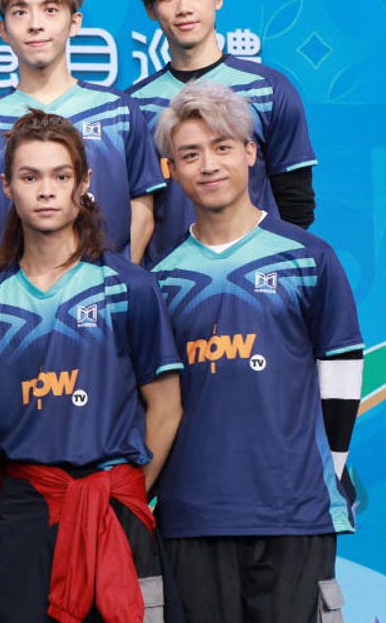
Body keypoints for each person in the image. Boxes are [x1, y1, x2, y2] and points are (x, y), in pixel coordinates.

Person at [150, 81, 362, 622]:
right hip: (192, 517)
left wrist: (321, 477)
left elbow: (341, 374)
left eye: (222, 147)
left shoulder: (308, 258)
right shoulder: (161, 280)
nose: (208, 165)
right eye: (190, 154)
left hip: (293, 514)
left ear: (251, 153)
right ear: (170, 170)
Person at [0, 109, 182, 623]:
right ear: (6, 186)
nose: (46, 191)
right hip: (26, 513)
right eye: (30, 177)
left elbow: (166, 406)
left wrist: (127, 492)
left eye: (60, 176)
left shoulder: (129, 287)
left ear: (83, 183)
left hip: (114, 509)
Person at [0, 0, 162, 267]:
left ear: (75, 22)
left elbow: (142, 207)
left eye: (50, 10)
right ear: (3, 30)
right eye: (20, 12)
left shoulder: (118, 112)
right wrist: (6, 281)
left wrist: (115, 279)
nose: (35, 25)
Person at [127, 0, 317, 266]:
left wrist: (271, 275)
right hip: (169, 284)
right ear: (151, 9)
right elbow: (133, 212)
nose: (184, 8)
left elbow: (296, 204)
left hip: (258, 278)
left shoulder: (268, 90)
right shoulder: (134, 106)